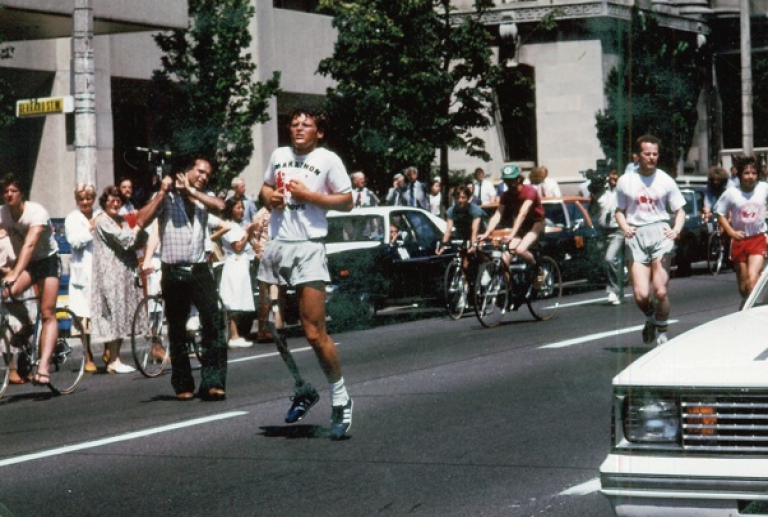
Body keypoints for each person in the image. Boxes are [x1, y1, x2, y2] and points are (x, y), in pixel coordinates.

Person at [259, 107, 354, 440]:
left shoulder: (328, 159)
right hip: (276, 247)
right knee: (269, 326)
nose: (298, 128)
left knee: (314, 332)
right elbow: (265, 189)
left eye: (306, 124)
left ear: (319, 132)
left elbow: (347, 201)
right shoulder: (279, 154)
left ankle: (340, 397)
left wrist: (308, 196)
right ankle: (302, 387)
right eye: (294, 123)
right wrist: (269, 196)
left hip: (309, 248)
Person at [136, 154, 228, 401]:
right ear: (185, 171)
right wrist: (162, 191)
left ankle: (213, 382)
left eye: (207, 174)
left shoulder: (202, 199)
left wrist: (192, 191)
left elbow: (220, 206)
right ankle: (183, 384)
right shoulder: (168, 199)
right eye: (199, 171)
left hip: (199, 269)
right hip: (173, 270)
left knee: (213, 322)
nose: (203, 177)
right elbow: (142, 219)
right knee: (177, 329)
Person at [615, 134, 686, 346]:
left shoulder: (665, 179)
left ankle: (662, 332)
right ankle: (651, 319)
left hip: (661, 234)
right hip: (636, 235)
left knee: (661, 290)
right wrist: (625, 226)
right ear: (638, 155)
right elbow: (619, 211)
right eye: (647, 154)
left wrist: (676, 229)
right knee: (640, 295)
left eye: (655, 154)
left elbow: (679, 211)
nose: (652, 157)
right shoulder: (625, 181)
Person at [0, 173, 61, 386]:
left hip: (47, 261)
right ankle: (26, 328)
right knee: (6, 294)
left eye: (13, 191)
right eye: (5, 191)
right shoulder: (3, 213)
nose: (9, 195)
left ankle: (43, 367)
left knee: (47, 313)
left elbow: (29, 245)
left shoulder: (37, 213)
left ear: (21, 193)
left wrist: (15, 273)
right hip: (27, 264)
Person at [91, 186, 147, 374]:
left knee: (122, 314)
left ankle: (115, 357)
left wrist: (139, 229)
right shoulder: (102, 222)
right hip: (110, 273)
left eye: (118, 201)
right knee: (113, 314)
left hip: (124, 272)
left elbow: (139, 241)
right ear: (104, 202)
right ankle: (113, 360)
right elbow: (125, 241)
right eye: (111, 200)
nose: (115, 204)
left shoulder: (122, 220)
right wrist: (138, 227)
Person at [714, 155, 768, 304]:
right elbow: (720, 214)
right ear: (739, 174)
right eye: (746, 173)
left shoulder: (763, 188)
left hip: (758, 239)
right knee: (743, 287)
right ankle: (748, 303)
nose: (750, 177)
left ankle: (757, 311)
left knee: (753, 279)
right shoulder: (731, 193)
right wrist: (731, 232)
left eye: (753, 173)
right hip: (739, 241)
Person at [478, 164, 545, 271]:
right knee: (505, 258)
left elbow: (523, 213)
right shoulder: (506, 195)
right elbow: (497, 215)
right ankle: (510, 287)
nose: (509, 183)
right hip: (521, 227)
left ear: (519, 179)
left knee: (520, 250)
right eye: (506, 180)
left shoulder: (530, 191)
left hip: (536, 223)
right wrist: (487, 232)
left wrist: (512, 234)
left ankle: (539, 270)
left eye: (512, 180)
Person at [64, 182, 99, 372]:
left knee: (101, 315)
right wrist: (90, 229)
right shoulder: (72, 218)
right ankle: (88, 355)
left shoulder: (100, 214)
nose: (85, 202)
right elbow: (74, 242)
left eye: (89, 198)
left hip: (100, 270)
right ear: (77, 201)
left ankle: (110, 352)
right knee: (83, 317)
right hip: (82, 274)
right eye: (82, 199)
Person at [217, 197, 257, 348]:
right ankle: (233, 335)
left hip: (242, 264)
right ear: (231, 209)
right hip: (234, 264)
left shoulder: (238, 225)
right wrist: (247, 233)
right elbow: (238, 247)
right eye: (238, 207)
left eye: (242, 208)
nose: (241, 211)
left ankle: (236, 334)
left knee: (239, 300)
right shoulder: (229, 226)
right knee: (232, 300)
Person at [590, 167, 624, 305]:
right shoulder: (600, 192)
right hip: (603, 231)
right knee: (606, 262)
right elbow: (592, 211)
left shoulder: (623, 191)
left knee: (609, 258)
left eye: (617, 174)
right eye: (612, 174)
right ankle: (618, 288)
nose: (614, 177)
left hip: (618, 230)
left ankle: (612, 290)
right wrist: (592, 198)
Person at [437, 185, 486, 268]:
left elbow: (475, 230)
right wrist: (443, 245)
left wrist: (473, 245)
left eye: (463, 198)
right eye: (458, 197)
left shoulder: (474, 210)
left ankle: (485, 270)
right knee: (463, 260)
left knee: (479, 250)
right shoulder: (451, 211)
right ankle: (463, 278)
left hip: (480, 233)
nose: (460, 200)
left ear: (468, 198)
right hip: (464, 234)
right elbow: (448, 230)